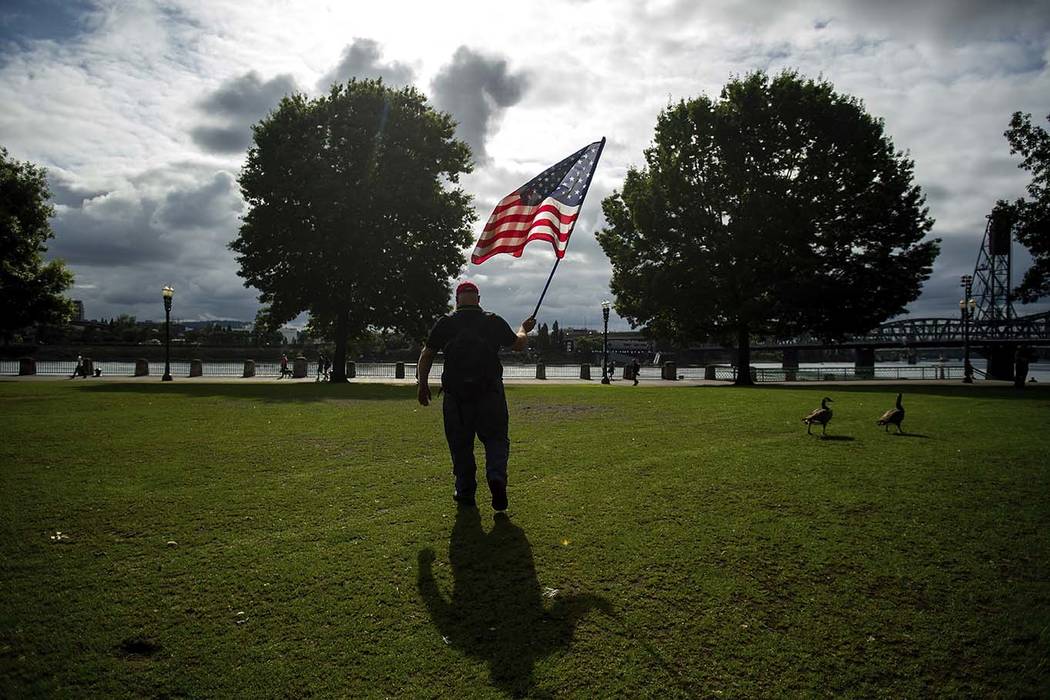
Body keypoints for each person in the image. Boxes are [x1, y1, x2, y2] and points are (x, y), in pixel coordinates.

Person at [416, 281, 535, 512]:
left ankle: (465, 491)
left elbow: (427, 354)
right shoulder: (493, 321)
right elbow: (518, 345)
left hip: (456, 397)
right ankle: (496, 477)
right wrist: (523, 328)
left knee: (460, 445)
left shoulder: (446, 323)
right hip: (490, 394)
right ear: (478, 299)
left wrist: (422, 385)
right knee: (496, 439)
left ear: (456, 299)